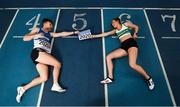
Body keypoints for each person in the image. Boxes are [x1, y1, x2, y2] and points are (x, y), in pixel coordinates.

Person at [16, 18, 79, 103]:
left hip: (41, 56)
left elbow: (61, 34)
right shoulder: (37, 30)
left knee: (44, 78)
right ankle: (55, 85)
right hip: (38, 52)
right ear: (45, 23)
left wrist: (74, 32)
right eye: (50, 24)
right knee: (57, 64)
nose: (51, 26)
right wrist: (35, 35)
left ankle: (23, 89)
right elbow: (25, 38)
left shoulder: (49, 34)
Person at [91, 18, 155, 90]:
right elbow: (105, 34)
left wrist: (135, 33)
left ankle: (148, 78)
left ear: (118, 21)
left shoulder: (125, 24)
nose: (112, 24)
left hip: (131, 44)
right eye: (112, 23)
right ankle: (110, 78)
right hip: (124, 47)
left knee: (132, 65)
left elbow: (136, 26)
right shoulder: (115, 31)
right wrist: (93, 36)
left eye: (113, 22)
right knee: (108, 57)